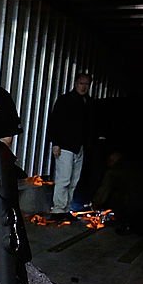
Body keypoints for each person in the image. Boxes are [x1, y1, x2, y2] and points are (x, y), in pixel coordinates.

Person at [47, 73, 92, 217]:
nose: (84, 87)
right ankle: (59, 209)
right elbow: (55, 122)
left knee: (74, 180)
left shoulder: (88, 103)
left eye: (86, 84)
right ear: (75, 83)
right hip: (65, 146)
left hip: (79, 147)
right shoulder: (65, 100)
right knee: (64, 179)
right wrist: (56, 143)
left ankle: (66, 209)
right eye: (81, 83)